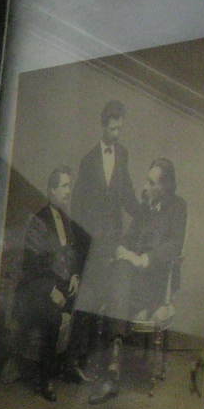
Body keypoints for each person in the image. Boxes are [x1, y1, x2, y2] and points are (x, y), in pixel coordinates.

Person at [88, 158, 187, 405]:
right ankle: (113, 369)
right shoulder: (144, 208)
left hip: (155, 281)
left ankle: (112, 365)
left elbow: (174, 245)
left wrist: (143, 259)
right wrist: (122, 250)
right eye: (147, 181)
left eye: (152, 183)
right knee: (118, 270)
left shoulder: (178, 207)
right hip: (130, 280)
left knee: (116, 281)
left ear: (165, 186)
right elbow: (128, 237)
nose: (146, 186)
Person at [68, 101, 138, 379]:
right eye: (113, 129)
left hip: (113, 240)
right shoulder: (88, 161)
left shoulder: (123, 154)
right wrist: (85, 238)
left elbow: (127, 193)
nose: (117, 134)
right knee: (88, 299)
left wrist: (142, 213)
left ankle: (95, 361)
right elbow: (78, 204)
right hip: (94, 242)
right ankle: (74, 361)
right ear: (103, 126)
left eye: (120, 128)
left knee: (110, 297)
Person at [11, 166, 91, 401]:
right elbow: (31, 264)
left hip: (62, 283)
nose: (68, 191)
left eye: (69, 186)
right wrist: (51, 289)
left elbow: (71, 253)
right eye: (64, 186)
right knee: (53, 316)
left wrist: (75, 276)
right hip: (36, 288)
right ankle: (44, 378)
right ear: (51, 190)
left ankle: (69, 365)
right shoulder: (39, 220)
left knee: (86, 304)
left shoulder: (66, 218)